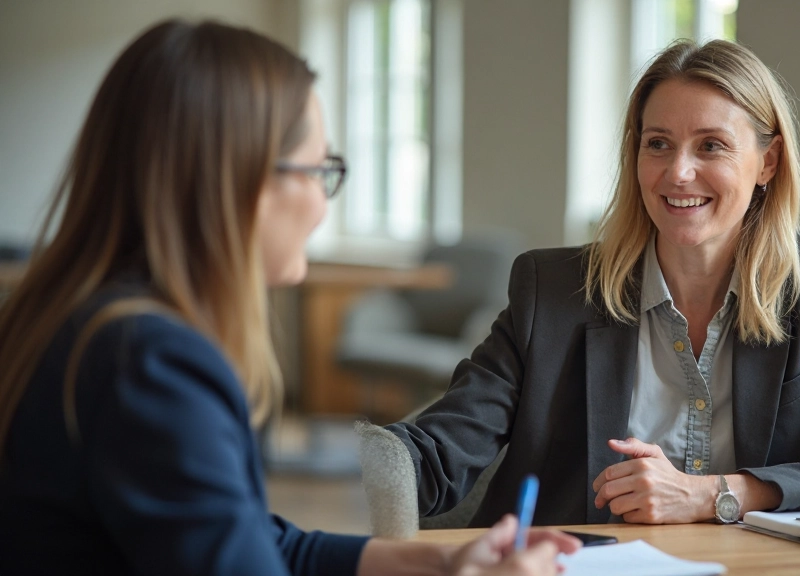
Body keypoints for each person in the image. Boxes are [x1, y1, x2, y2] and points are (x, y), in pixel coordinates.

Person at [0, 20, 578, 576]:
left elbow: (250, 539)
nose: (323, 204)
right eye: (319, 169)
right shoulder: (152, 364)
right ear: (241, 180)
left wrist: (441, 560)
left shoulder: (82, 320)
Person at [385, 39, 800, 527]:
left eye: (711, 145)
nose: (677, 172)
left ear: (767, 162)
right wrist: (341, 479)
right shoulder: (552, 290)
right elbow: (439, 453)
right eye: (658, 143)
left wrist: (717, 494)